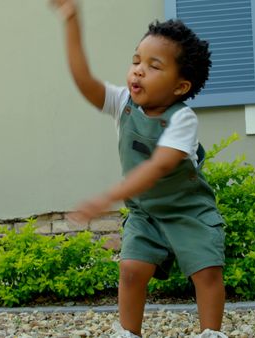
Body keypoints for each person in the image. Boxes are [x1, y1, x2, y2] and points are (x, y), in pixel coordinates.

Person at [50, 1, 227, 337]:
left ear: (180, 86)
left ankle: (211, 333)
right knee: (131, 269)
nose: (138, 70)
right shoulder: (122, 104)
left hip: (189, 211)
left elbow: (159, 165)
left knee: (206, 272)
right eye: (136, 61)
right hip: (146, 213)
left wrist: (109, 196)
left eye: (153, 65)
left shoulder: (183, 119)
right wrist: (71, 22)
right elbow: (83, 80)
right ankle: (128, 333)